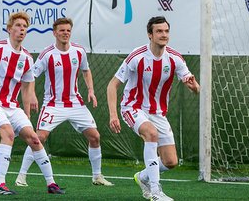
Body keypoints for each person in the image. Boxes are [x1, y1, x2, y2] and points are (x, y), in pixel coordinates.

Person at [107, 16, 200, 201]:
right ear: (150, 35)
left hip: (157, 112)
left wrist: (194, 87)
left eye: (166, 31)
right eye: (159, 31)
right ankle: (156, 192)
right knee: (151, 134)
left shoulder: (175, 58)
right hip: (132, 107)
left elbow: (195, 87)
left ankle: (142, 177)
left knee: (171, 162)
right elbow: (112, 85)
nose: (163, 34)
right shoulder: (137, 56)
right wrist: (113, 115)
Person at [15, 18, 113, 187]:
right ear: (54, 33)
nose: (65, 33)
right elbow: (31, 76)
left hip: (76, 104)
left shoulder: (79, 51)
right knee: (38, 138)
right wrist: (31, 95)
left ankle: (97, 176)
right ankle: (21, 176)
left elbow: (86, 71)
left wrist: (91, 90)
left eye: (68, 30)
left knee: (95, 137)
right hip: (53, 105)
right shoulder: (47, 54)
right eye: (61, 30)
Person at [0, 12, 64, 195]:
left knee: (34, 139)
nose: (22, 29)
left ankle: (51, 184)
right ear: (9, 28)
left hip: (13, 106)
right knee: (7, 134)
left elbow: (27, 87)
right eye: (18, 26)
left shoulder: (27, 58)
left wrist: (27, 113)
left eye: (24, 27)